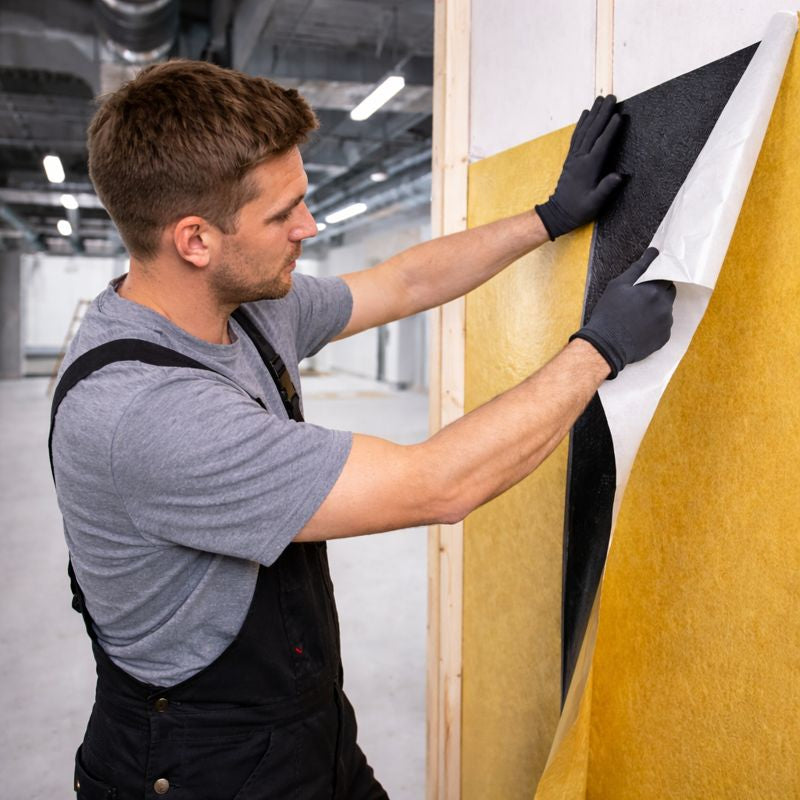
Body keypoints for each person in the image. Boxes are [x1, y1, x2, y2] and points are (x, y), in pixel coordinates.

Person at [50, 60, 674, 800]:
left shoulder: (243, 307)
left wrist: (545, 218)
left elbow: (401, 282)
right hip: (197, 767)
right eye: (284, 214)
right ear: (195, 240)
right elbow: (438, 484)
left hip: (302, 731)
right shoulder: (149, 414)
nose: (308, 228)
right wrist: (596, 352)